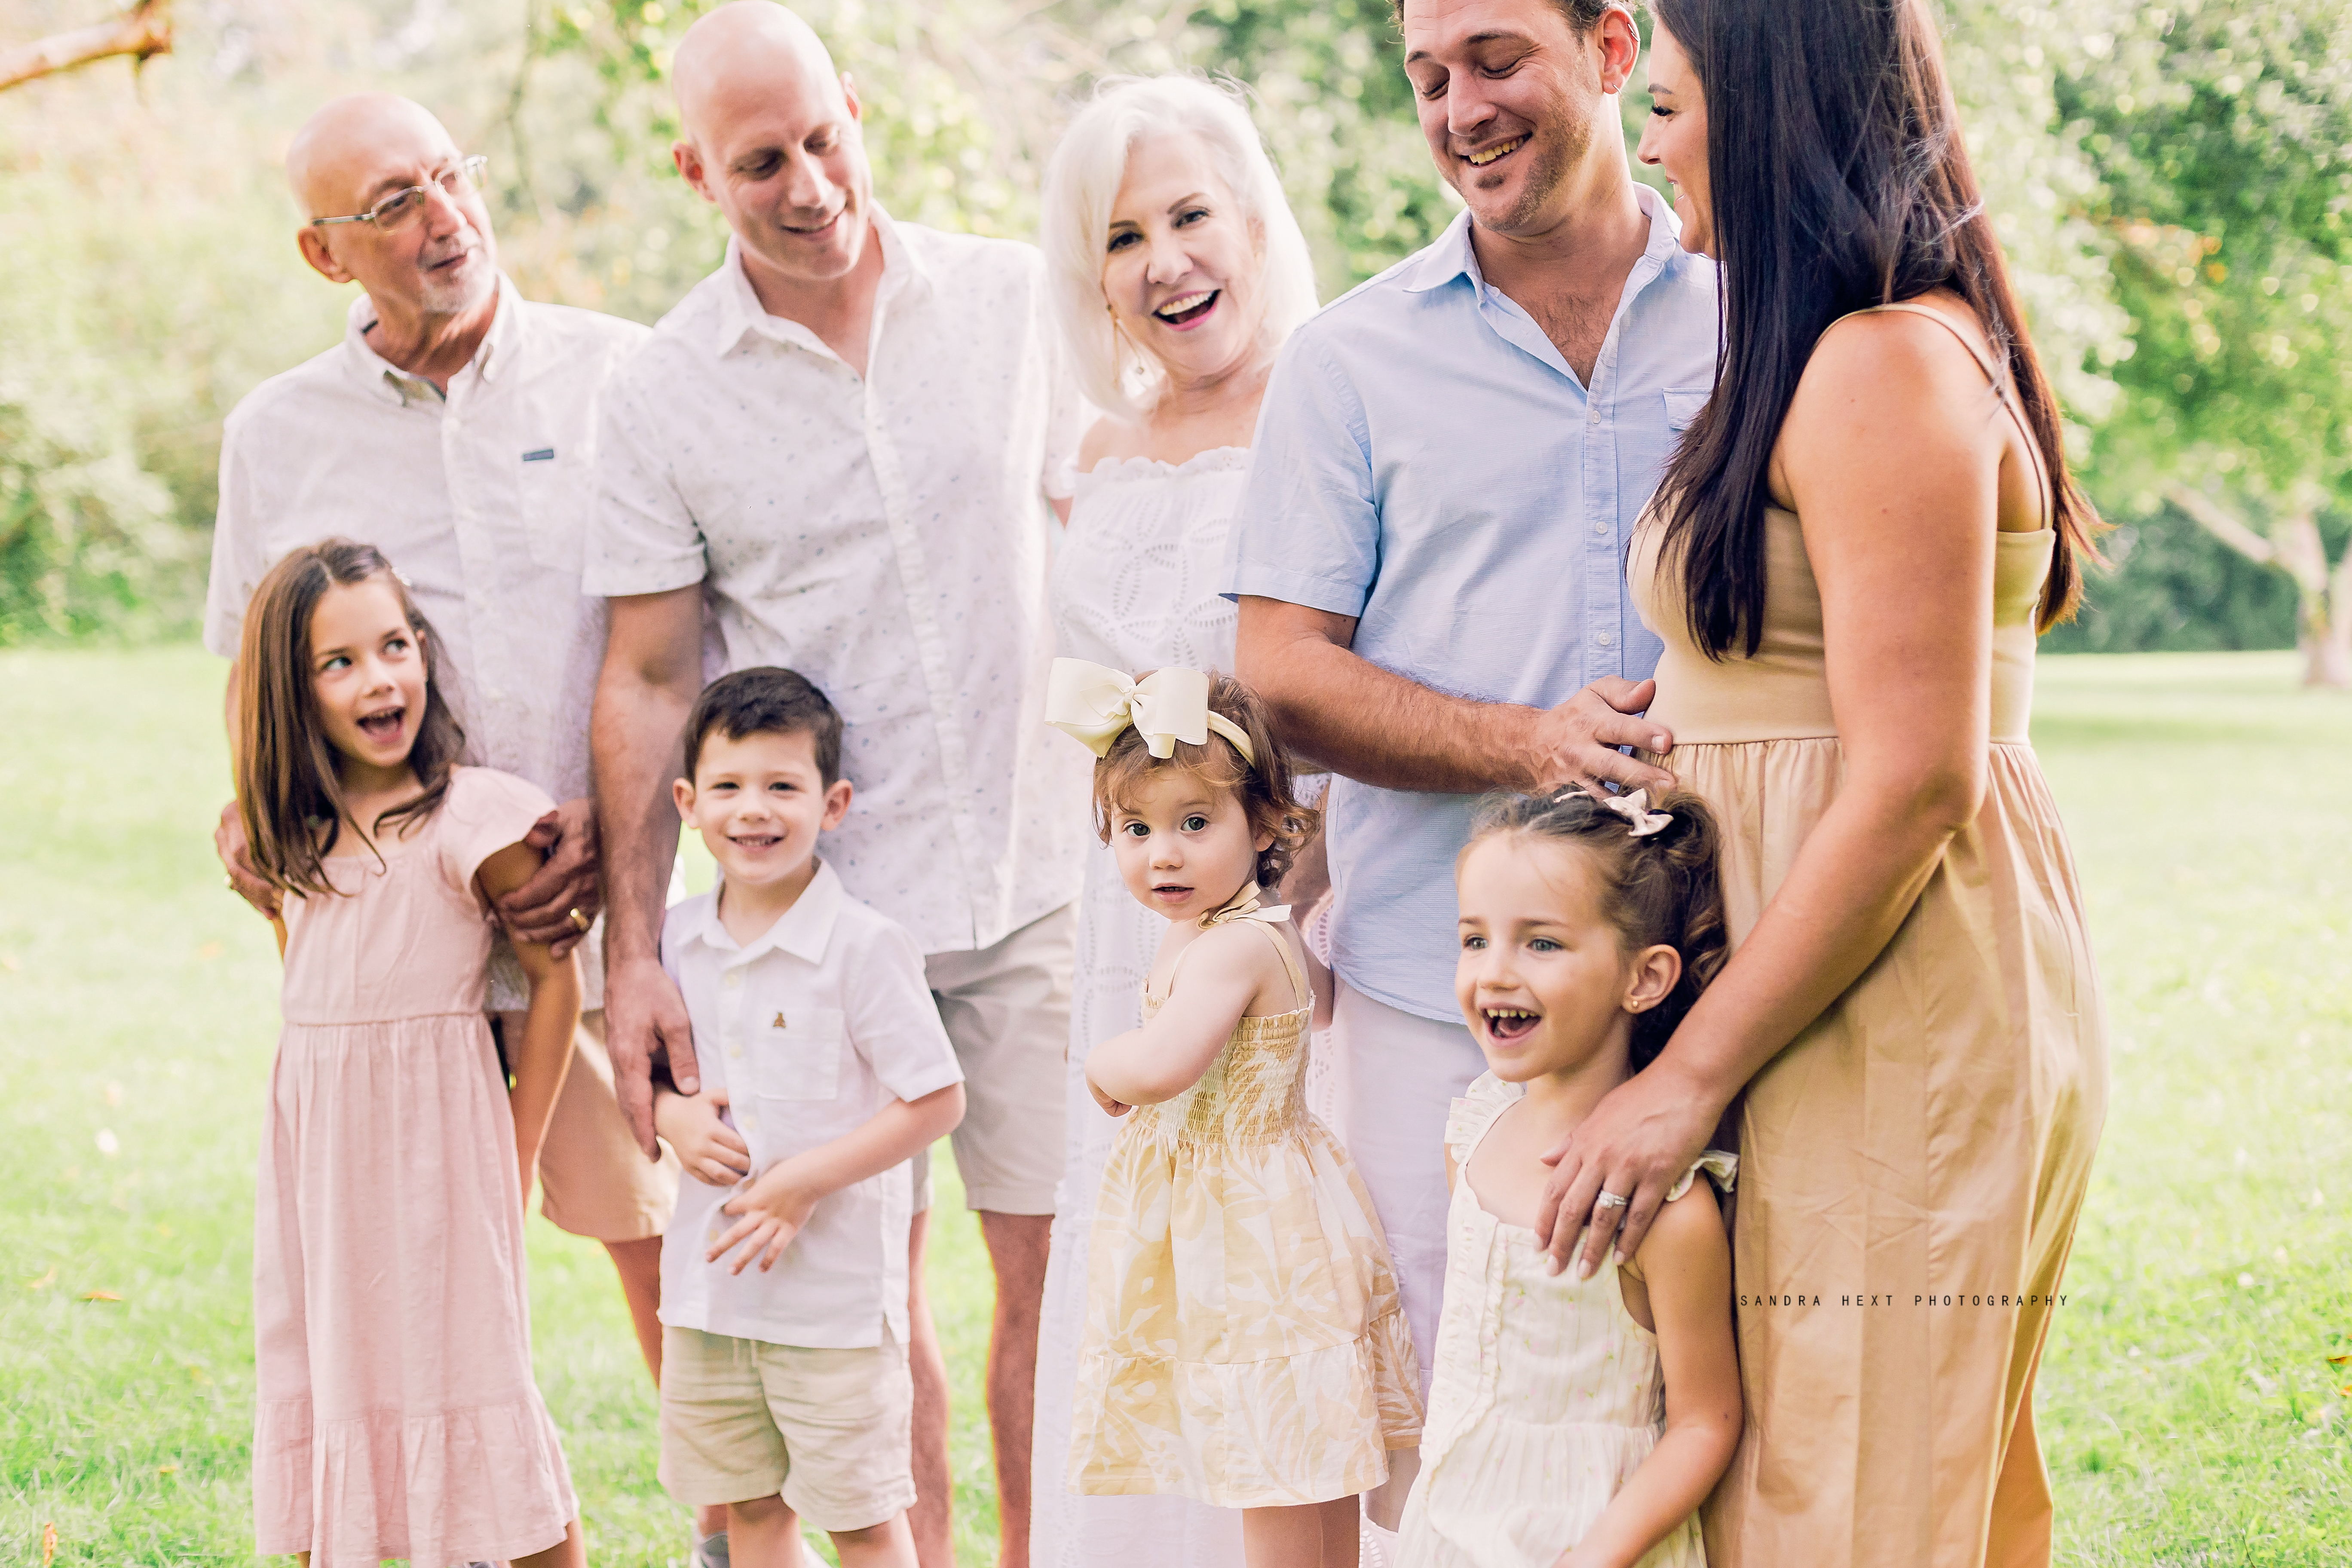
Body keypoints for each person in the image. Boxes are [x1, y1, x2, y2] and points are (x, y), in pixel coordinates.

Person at [1533, 6, 2110, 1564]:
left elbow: (1916, 775)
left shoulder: (1881, 365)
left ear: (1770, 111)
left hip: (1890, 1004)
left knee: (1857, 1502)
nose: (1648, 141)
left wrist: (1682, 1078)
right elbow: (1815, 668)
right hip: (1816, 988)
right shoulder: (1832, 350)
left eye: (1669, 104)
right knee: (1841, 1480)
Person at [585, 6, 1088, 1563]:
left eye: (823, 138)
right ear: (695, 172)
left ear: (856, 110)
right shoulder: (663, 389)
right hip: (819, 925)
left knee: (1054, 1282)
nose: (808, 183)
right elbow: (651, 676)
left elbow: (1117, 513)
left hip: (1043, 874)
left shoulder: (1016, 301)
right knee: (857, 1304)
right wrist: (636, 949)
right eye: (760, 163)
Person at [1225, 0, 1717, 1521]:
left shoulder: (1759, 311)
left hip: (1719, 966)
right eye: (1426, 76)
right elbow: (1279, 674)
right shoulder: (1349, 360)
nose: (1458, 108)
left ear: (1615, 50)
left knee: (1724, 1413)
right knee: (1465, 1435)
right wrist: (1528, 738)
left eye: (1494, 57)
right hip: (1447, 994)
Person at [201, 89, 686, 1454]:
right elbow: (252, 679)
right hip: (393, 953)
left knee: (665, 1256)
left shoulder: (622, 377)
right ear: (324, 255)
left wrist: (615, 824)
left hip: (585, 920)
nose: (442, 219)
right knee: (416, 1281)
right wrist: (251, 813)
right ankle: (460, 1521)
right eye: (392, 205)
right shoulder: (276, 434)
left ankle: (725, 1529)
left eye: (449, 178)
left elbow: (679, 646)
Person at [1027, 74, 1321, 1568]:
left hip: (1280, 913)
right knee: (1138, 1261)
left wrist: (1279, 880)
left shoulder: (1334, 403)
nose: (1165, 259)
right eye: (1124, 233)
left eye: (1191, 214)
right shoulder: (1089, 452)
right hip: (1126, 920)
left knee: (1265, 1262)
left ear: (1254, 218)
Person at [232, 539, 585, 1568]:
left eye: (394, 645)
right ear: (291, 694)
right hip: (321, 1166)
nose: (379, 679)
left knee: (480, 1382)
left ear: (424, 648)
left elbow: (554, 984)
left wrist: (516, 1154)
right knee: (326, 1374)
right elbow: (313, 996)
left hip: (445, 1149)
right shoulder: (287, 837)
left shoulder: (474, 818)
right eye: (337, 663)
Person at [1049, 662, 1421, 1568]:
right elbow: (1317, 1008)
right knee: (1303, 1457)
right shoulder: (1248, 929)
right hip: (1269, 1207)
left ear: (1264, 828)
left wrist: (1106, 1062)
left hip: (1250, 1234)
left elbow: (1168, 1064)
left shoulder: (1231, 948)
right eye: (1136, 829)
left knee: (1273, 1460)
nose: (1162, 855)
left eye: (1193, 823)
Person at [649, 668, 968, 1568]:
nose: (755, 810)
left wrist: (802, 1184)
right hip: (713, 1298)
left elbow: (938, 1097)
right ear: (689, 802)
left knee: (862, 1521)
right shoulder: (677, 937)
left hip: (832, 1310)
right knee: (751, 1510)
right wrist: (672, 1116)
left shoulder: (863, 947)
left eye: (782, 786)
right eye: (730, 787)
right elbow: (645, 1071)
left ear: (833, 804)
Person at [1396, 786, 1740, 1567]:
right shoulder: (1473, 1133)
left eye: (1541, 944)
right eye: (1475, 941)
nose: (1495, 974)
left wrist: (1595, 1556)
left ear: (1644, 978)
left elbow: (1705, 1420)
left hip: (1586, 1539)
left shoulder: (1668, 1210)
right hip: (1451, 1529)